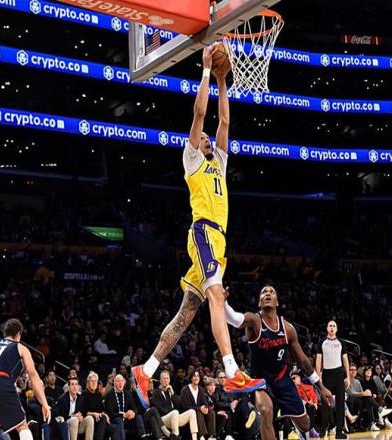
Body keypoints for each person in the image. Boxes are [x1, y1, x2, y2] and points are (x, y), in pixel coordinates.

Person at [132, 44, 265, 408]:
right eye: (202, 137)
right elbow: (201, 113)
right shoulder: (192, 159)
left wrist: (223, 80)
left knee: (187, 312)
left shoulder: (218, 160)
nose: (206, 137)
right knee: (217, 297)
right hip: (204, 232)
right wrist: (206, 71)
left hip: (219, 241)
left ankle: (146, 369)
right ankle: (232, 370)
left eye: (207, 138)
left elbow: (223, 121)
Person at [224, 285, 333, 440]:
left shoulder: (288, 329)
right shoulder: (254, 320)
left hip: (282, 379)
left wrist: (320, 387)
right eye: (264, 292)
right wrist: (223, 303)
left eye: (272, 292)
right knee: (265, 410)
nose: (268, 293)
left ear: (277, 302)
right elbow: (235, 319)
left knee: (305, 423)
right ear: (259, 302)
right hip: (260, 380)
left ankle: (304, 431)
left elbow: (302, 361)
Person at [0, 318, 51, 440]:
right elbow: (33, 375)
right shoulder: (20, 347)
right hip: (1, 381)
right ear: (19, 334)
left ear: (5, 333)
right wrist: (44, 403)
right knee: (22, 426)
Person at [315, 321, 350, 439]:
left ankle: (339, 431)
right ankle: (324, 427)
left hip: (338, 374)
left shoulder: (341, 342)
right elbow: (318, 360)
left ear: (337, 329)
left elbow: (345, 360)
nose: (332, 327)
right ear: (327, 328)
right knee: (325, 404)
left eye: (334, 326)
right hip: (326, 375)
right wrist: (318, 376)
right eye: (330, 325)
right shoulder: (322, 342)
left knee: (340, 403)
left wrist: (348, 376)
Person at [151, 370, 199, 440]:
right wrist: (172, 411)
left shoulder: (170, 391)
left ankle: (194, 438)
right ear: (160, 380)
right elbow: (159, 408)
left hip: (175, 417)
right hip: (163, 419)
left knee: (192, 412)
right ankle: (175, 437)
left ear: (169, 380)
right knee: (175, 412)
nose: (166, 380)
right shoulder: (156, 392)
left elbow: (179, 405)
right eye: (164, 379)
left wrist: (173, 394)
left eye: (167, 378)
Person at [104, 375, 146, 440]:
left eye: (122, 381)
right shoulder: (110, 395)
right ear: (114, 383)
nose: (120, 383)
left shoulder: (127, 394)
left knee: (138, 417)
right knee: (119, 420)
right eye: (118, 381)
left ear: (124, 383)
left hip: (127, 419)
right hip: (116, 420)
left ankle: (143, 437)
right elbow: (110, 413)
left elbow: (134, 408)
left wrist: (133, 413)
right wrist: (123, 415)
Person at [82, 371, 119, 440]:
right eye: (92, 381)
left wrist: (105, 414)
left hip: (100, 420)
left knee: (115, 428)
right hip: (90, 421)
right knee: (103, 419)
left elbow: (102, 410)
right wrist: (94, 414)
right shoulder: (83, 394)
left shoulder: (98, 395)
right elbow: (83, 412)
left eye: (95, 381)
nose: (94, 383)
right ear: (88, 383)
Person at [180, 371, 216, 440]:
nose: (196, 378)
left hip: (199, 411)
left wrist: (206, 408)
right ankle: (201, 436)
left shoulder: (201, 389)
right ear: (191, 378)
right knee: (199, 413)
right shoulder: (185, 390)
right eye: (194, 376)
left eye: (198, 376)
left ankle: (211, 436)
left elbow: (205, 402)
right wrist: (199, 408)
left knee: (211, 412)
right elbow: (184, 406)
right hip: (188, 413)